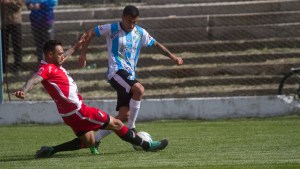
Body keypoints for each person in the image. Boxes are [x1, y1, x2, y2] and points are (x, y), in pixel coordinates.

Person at [12, 39, 168, 158]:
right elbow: (33, 80)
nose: (62, 55)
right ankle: (147, 145)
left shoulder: (52, 64)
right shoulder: (46, 69)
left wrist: (77, 46)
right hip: (79, 111)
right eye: (59, 53)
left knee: (89, 141)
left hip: (69, 115)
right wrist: (23, 90)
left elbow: (65, 56)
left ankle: (51, 150)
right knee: (117, 123)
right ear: (50, 55)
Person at [79, 5, 183, 154]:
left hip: (128, 76)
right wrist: (83, 54)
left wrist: (173, 56)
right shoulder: (112, 28)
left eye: (134, 22)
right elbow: (89, 33)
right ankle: (132, 127)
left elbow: (156, 45)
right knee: (139, 89)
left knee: (122, 116)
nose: (131, 25)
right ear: (122, 18)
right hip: (116, 72)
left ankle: (95, 140)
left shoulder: (140, 33)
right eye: (129, 21)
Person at [25, 0, 57, 65]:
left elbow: (54, 2)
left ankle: (50, 65)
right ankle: (41, 65)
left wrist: (41, 5)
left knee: (48, 44)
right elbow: (27, 1)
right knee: (38, 44)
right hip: (35, 20)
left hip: (47, 19)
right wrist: (29, 4)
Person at [2, 0, 24, 74]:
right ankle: (3, 67)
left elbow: (19, 5)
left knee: (17, 44)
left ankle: (18, 67)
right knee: (4, 46)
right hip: (3, 22)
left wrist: (9, 2)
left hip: (15, 21)